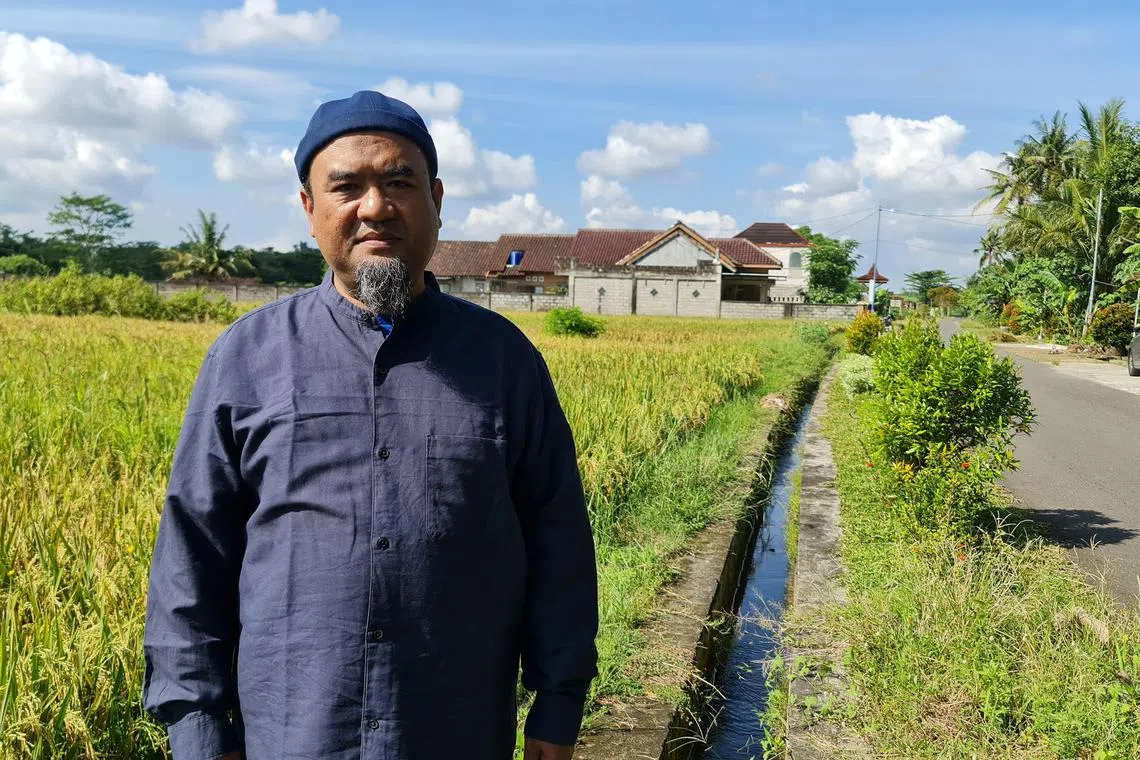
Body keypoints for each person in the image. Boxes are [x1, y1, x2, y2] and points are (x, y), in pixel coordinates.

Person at [143, 90, 599, 760]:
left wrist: (558, 704)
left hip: (455, 728)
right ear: (309, 208)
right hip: (295, 732)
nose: (376, 207)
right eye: (347, 187)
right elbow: (193, 555)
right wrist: (199, 727)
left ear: (436, 200)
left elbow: (557, 539)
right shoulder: (246, 357)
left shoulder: (505, 362)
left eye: (399, 182)